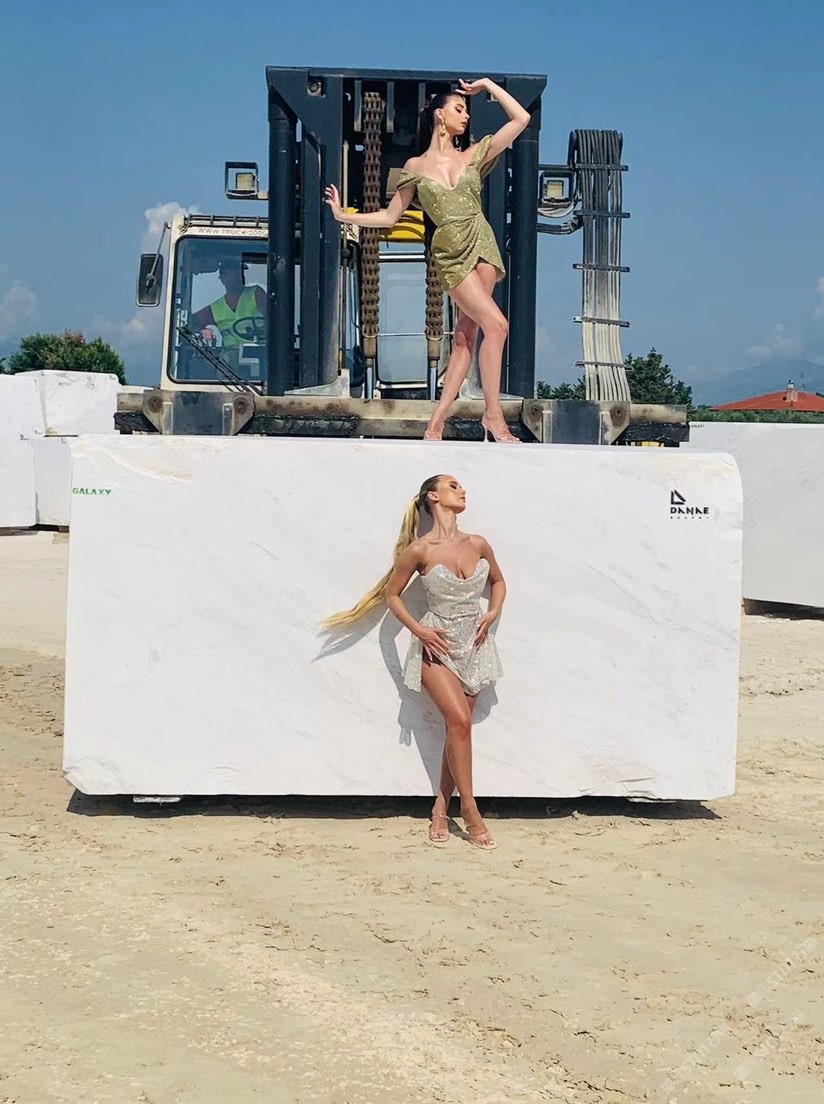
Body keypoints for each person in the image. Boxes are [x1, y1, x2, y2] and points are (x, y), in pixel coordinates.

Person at [324, 77, 531, 443]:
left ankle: (436, 421)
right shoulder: (415, 166)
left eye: (466, 111)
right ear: (439, 115)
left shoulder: (473, 155)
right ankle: (493, 416)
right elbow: (390, 216)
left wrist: (487, 86)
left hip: (482, 245)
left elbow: (521, 119)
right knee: (498, 325)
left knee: (466, 337)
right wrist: (344, 216)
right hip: (451, 254)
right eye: (459, 109)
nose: (465, 116)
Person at [323, 474, 506, 849]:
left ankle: (440, 807)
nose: (463, 490)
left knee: (459, 730)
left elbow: (499, 582)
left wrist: (493, 612)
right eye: (454, 485)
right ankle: (470, 811)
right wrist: (419, 630)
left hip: (474, 643)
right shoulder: (419, 550)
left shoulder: (478, 543)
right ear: (433, 496)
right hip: (436, 646)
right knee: (459, 721)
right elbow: (392, 596)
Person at [189, 259, 266, 350]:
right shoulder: (215, 308)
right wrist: (204, 330)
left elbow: (273, 317)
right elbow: (190, 322)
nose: (239, 274)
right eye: (234, 271)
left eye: (240, 271)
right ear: (223, 279)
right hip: (229, 355)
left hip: (261, 350)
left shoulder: (256, 293)